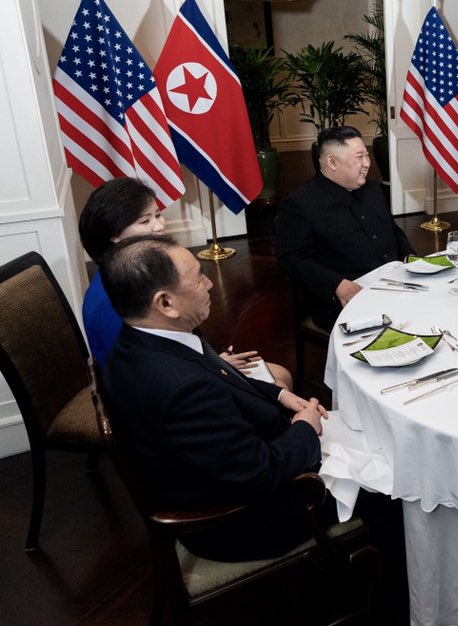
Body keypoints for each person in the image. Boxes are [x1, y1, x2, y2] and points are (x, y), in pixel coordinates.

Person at [100, 235, 334, 562]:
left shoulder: (148, 338)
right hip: (243, 522)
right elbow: (259, 474)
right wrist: (305, 429)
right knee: (392, 482)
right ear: (165, 303)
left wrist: (280, 395)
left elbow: (221, 377)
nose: (210, 283)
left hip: (242, 462)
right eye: (198, 277)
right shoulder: (179, 389)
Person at [78, 178, 292, 389]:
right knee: (279, 382)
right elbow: (142, 371)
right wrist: (213, 366)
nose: (159, 226)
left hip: (183, 365)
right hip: (160, 390)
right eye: (145, 221)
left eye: (158, 215)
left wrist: (213, 360)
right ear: (114, 235)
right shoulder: (108, 301)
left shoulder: (133, 275)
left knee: (280, 375)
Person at [277, 126, 414, 330]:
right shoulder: (299, 204)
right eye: (359, 157)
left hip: (396, 285)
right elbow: (293, 260)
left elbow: (393, 232)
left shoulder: (373, 190)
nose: (367, 163)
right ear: (332, 162)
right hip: (344, 299)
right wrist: (337, 285)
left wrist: (411, 259)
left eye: (366, 155)